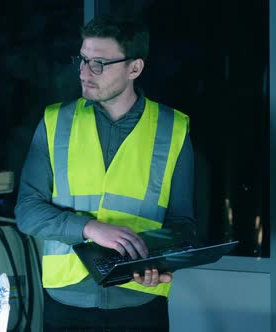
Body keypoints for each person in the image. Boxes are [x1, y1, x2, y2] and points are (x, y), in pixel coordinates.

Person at [14, 15, 196, 331]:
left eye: (99, 63)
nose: (85, 72)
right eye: (83, 60)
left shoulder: (174, 129)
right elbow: (27, 212)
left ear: (134, 69)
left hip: (140, 305)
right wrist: (89, 228)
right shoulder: (55, 122)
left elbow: (183, 225)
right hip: (66, 304)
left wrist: (158, 261)